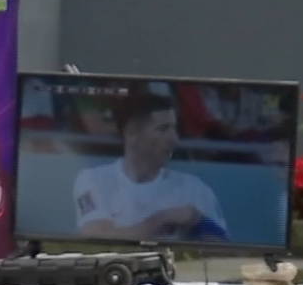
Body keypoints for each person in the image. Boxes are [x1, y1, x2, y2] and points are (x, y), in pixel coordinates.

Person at [72, 91, 229, 242]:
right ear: (131, 133)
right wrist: (161, 219)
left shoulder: (194, 189)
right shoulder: (95, 179)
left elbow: (224, 253)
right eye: (162, 129)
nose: (174, 139)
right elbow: (97, 239)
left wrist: (198, 222)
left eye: (174, 128)